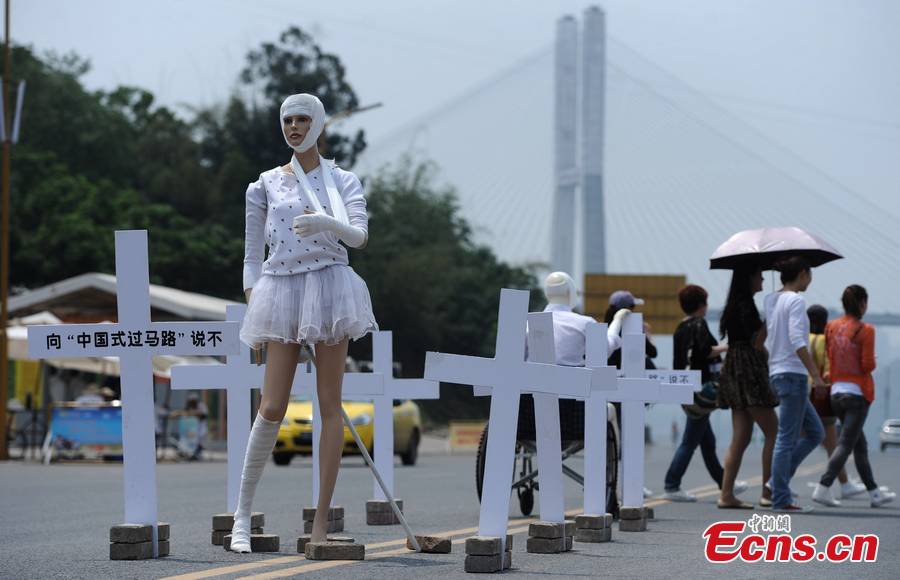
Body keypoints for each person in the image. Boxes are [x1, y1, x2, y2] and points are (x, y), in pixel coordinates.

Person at [230, 93, 378, 553]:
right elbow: (253, 257)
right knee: (272, 405)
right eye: (287, 120)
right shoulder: (266, 184)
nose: (294, 127)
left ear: (318, 125)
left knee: (329, 404)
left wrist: (325, 223)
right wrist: (257, 306)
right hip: (281, 290)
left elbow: (360, 237)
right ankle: (241, 515)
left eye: (302, 119)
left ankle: (319, 522)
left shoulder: (342, 179)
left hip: (330, 286)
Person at [812, 286, 896, 508]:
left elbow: (833, 358)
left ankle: (874, 492)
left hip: (836, 393)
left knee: (860, 445)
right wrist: (872, 358)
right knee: (847, 443)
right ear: (862, 304)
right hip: (857, 394)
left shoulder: (831, 327)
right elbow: (867, 365)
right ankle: (823, 487)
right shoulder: (865, 330)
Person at [663, 285, 748, 501]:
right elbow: (705, 352)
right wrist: (729, 346)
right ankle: (672, 484)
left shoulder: (680, 327)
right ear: (702, 305)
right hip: (701, 390)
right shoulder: (699, 324)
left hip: (685, 388)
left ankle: (724, 483)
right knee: (690, 441)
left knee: (706, 442)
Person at [765, 256, 825, 513]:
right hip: (793, 374)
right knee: (786, 439)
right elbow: (798, 341)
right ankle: (780, 498)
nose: (811, 281)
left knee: (815, 433)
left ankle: (776, 483)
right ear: (802, 273)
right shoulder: (797, 301)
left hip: (777, 372)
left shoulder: (771, 299)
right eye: (810, 275)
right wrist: (817, 375)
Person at [717, 267, 779, 509]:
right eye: (759, 274)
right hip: (749, 372)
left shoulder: (735, 304)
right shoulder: (746, 306)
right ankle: (768, 491)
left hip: (734, 370)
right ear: (749, 277)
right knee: (774, 431)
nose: (762, 278)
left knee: (740, 438)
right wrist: (769, 321)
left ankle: (726, 494)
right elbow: (756, 341)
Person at [807, 304, 866, 499]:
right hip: (821, 394)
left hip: (803, 393)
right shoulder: (825, 340)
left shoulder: (803, 340)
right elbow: (829, 367)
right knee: (833, 443)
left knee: (790, 439)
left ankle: (774, 481)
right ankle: (844, 484)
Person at [605, 290, 657, 370]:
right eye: (633, 306)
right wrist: (647, 333)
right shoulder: (635, 330)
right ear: (628, 309)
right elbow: (653, 353)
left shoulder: (605, 330)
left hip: (609, 375)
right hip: (631, 375)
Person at [184, 394, 209, 461]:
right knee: (193, 440)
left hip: (202, 425)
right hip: (194, 426)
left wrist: (196, 413)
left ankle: (197, 454)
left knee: (200, 439)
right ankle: (194, 454)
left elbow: (204, 415)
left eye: (193, 401)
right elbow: (187, 413)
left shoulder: (201, 405)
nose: (192, 403)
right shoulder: (191, 406)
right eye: (190, 401)